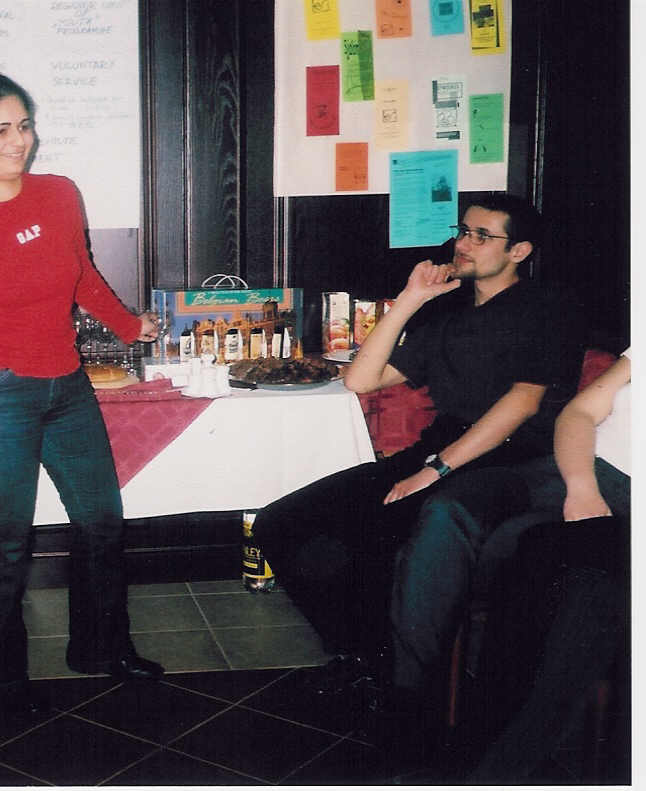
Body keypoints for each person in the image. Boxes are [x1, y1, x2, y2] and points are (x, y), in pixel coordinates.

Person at [252, 195, 582, 749]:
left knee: (375, 535)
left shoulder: (546, 307)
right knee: (281, 524)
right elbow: (361, 379)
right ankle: (365, 658)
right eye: (463, 231)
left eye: (482, 236)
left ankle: (398, 689)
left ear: (520, 251)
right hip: (437, 450)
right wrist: (409, 299)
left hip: (509, 461)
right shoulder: (450, 316)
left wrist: (436, 470)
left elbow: (523, 403)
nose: (464, 244)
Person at [0, 72, 164, 715]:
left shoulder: (59, 194)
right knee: (6, 543)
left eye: (24, 126)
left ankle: (101, 649)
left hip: (67, 387)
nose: (17, 141)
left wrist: (129, 326)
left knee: (101, 522)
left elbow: (81, 274)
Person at [462, 350, 630, 783]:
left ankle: (502, 770)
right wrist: (582, 487)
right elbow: (578, 413)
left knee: (588, 589)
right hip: (587, 476)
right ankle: (474, 746)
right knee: (513, 546)